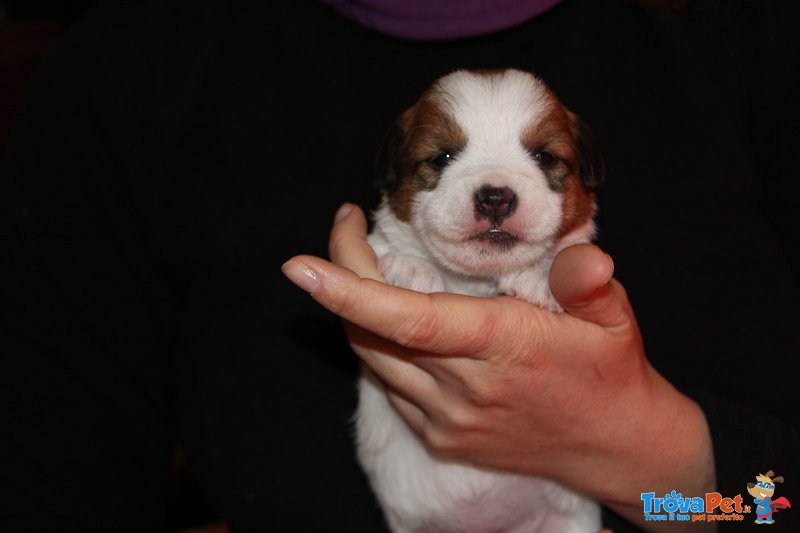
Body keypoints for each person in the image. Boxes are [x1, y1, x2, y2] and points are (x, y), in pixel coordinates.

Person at [1, 0, 797, 532]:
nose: (492, 193)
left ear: (586, 173)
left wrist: (664, 466)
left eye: (542, 159)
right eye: (442, 159)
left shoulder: (749, 35)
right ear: (395, 176)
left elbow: (776, 503)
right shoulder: (126, 79)